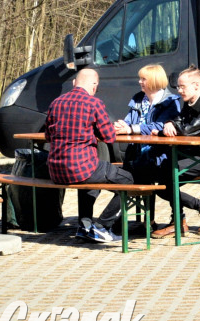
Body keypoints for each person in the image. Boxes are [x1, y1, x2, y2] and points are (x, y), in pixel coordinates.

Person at [43, 68, 133, 243]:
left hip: (55, 170)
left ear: (74, 83)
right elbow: (109, 137)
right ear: (94, 85)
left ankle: (84, 226)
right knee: (129, 179)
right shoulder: (93, 103)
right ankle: (102, 226)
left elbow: (48, 136)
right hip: (81, 167)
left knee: (91, 182)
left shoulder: (56, 103)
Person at [151, 66, 200, 238]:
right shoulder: (189, 103)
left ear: (196, 85)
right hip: (194, 155)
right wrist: (168, 124)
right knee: (159, 176)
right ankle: (182, 220)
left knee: (167, 176)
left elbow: (189, 131)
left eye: (182, 87)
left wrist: (172, 125)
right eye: (178, 87)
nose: (179, 91)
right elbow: (178, 122)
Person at [113, 64, 182, 197]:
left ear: (154, 80)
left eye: (143, 79)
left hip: (160, 156)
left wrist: (131, 129)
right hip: (135, 154)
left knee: (162, 188)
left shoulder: (170, 102)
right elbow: (129, 121)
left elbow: (160, 126)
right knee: (126, 181)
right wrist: (121, 126)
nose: (140, 82)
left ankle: (180, 213)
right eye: (140, 78)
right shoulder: (138, 99)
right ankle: (146, 218)